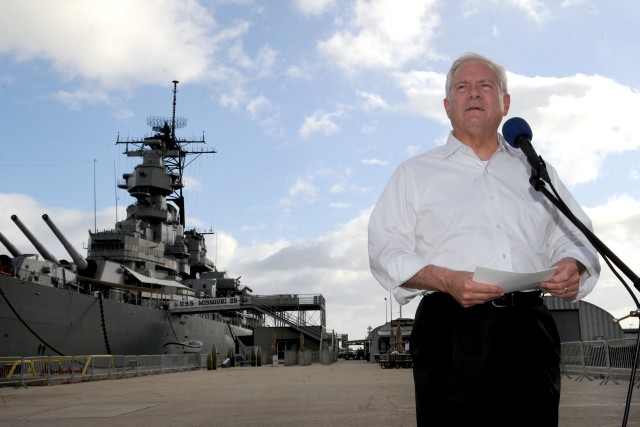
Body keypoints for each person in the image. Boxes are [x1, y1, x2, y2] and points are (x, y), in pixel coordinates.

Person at [368, 52, 600, 427]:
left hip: (530, 329)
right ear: (447, 106)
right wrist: (446, 279)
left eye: (485, 86)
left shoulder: (535, 170)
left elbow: (575, 234)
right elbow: (385, 248)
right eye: (463, 87)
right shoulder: (414, 174)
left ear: (505, 102)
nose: (473, 94)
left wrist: (570, 265)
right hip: (452, 331)